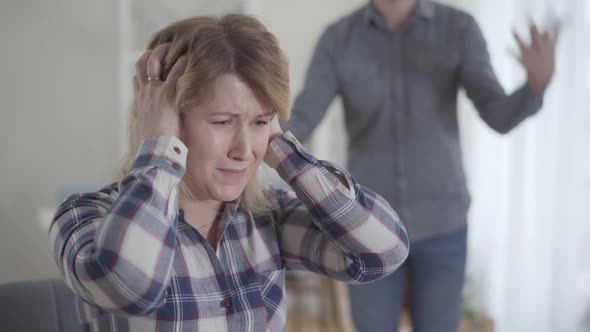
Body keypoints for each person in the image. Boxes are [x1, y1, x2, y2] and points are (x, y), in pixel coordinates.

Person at [48, 14, 409, 332]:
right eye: (222, 121)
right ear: (166, 118)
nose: (244, 150)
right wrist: (158, 146)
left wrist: (282, 151)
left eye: (260, 122)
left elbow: (384, 252)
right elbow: (127, 287)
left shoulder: (267, 218)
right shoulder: (84, 218)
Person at [284, 0, 559, 331]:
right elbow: (302, 119)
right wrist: (252, 127)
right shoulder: (337, 39)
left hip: (443, 225)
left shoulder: (458, 28)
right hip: (368, 229)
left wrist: (534, 87)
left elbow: (497, 115)